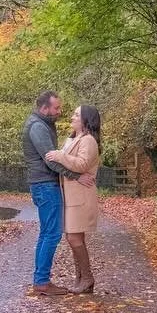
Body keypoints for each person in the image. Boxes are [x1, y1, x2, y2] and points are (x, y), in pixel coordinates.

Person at [21, 91, 73, 296]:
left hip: (43, 184)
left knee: (46, 233)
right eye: (56, 108)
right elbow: (50, 160)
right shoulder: (37, 127)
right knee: (52, 233)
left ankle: (41, 279)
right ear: (44, 108)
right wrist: (75, 175)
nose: (59, 112)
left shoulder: (41, 124)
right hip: (45, 185)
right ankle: (41, 281)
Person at [46, 104, 101, 294]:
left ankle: (87, 277)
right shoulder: (73, 139)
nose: (72, 117)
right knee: (75, 237)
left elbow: (83, 164)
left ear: (86, 120)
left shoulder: (88, 141)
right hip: (71, 195)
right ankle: (81, 278)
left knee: (74, 238)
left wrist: (61, 156)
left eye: (77, 115)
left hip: (81, 195)